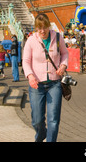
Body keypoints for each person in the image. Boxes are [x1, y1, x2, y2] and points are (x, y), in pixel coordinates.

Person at [22, 13, 69, 142]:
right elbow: (25, 61)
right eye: (39, 28)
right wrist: (30, 76)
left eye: (45, 27)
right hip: (37, 84)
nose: (42, 31)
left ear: (49, 26)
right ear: (36, 28)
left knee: (53, 118)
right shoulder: (31, 40)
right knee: (37, 120)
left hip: (54, 83)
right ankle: (41, 134)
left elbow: (64, 53)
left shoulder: (58, 37)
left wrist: (63, 66)